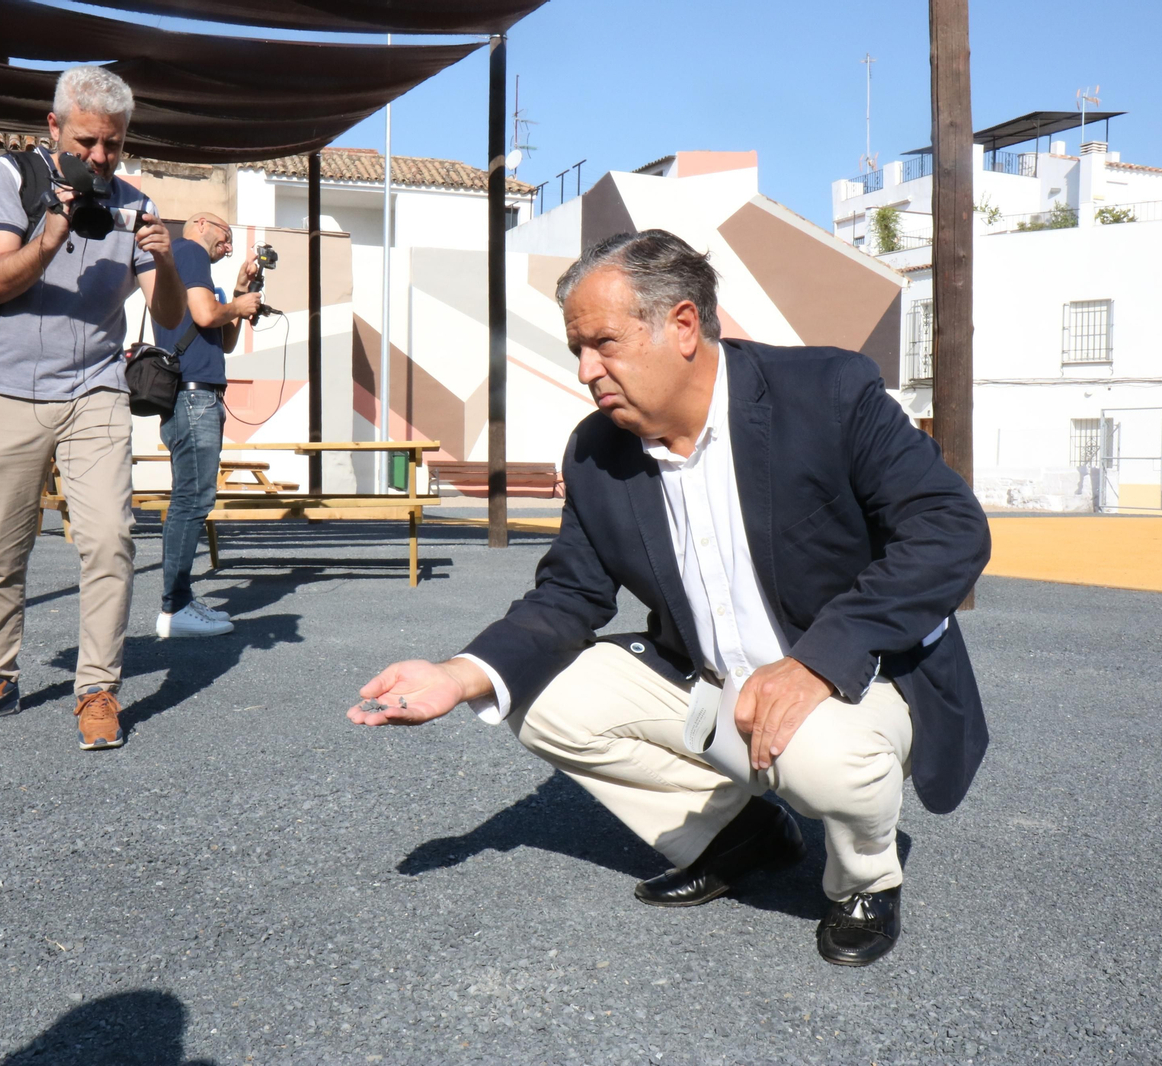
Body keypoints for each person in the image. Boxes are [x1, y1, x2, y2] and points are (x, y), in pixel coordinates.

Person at [348, 230, 991, 967]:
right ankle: (737, 835)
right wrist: (459, 674)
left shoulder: (828, 392)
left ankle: (863, 883)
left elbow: (949, 529)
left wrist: (818, 662)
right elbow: (569, 595)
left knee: (827, 756)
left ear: (683, 325)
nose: (588, 370)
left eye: (605, 343)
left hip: (862, 673)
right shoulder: (597, 451)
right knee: (534, 692)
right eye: (577, 350)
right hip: (712, 678)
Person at [0, 66, 186, 750]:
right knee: (0, 548)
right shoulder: (11, 181)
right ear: (54, 128)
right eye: (88, 142)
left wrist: (168, 262)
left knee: (108, 539)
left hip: (96, 390)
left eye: (114, 143)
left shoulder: (135, 203)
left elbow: (169, 317)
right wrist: (52, 231)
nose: (101, 156)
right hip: (7, 389)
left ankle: (97, 689)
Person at [152, 212, 262, 638]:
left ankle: (179, 599)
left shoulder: (187, 263)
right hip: (194, 396)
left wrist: (236, 295)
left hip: (195, 395)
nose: (229, 247)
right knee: (192, 501)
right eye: (227, 237)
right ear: (201, 224)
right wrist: (234, 305)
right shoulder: (189, 251)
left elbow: (224, 338)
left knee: (192, 498)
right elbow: (204, 315)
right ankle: (174, 607)